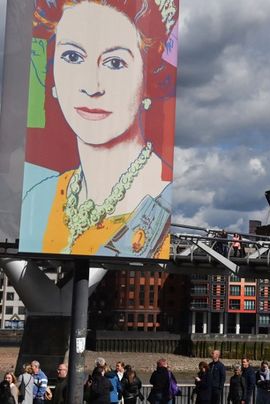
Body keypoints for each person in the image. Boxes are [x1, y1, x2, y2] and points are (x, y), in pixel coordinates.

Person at [20, 0, 178, 258]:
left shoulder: (164, 199)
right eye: (72, 57)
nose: (92, 86)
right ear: (53, 74)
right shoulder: (39, 198)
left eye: (115, 63)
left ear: (148, 80)